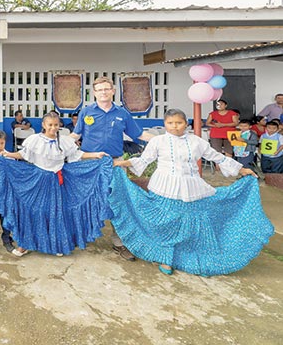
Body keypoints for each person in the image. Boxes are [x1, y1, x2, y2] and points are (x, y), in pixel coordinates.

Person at [111, 109, 272, 276]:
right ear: (165, 124)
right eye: (170, 123)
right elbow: (144, 160)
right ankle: (166, 258)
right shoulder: (158, 141)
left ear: (185, 124)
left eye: (178, 123)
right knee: (166, 223)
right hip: (164, 186)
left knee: (190, 222)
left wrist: (241, 169)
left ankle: (191, 256)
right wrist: (123, 163)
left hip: (192, 187)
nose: (174, 127)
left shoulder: (197, 141)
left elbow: (217, 157)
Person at [0, 112, 108, 257]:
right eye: (50, 124)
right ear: (43, 125)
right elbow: (24, 155)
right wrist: (9, 155)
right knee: (35, 211)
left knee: (57, 212)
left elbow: (77, 155)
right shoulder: (34, 140)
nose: (53, 127)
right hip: (38, 180)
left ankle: (57, 244)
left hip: (58, 181)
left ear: (59, 125)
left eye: (56, 124)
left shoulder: (64, 141)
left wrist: (95, 155)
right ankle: (25, 244)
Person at [70, 76, 153, 261]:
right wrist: (53, 143)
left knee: (118, 201)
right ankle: (81, 236)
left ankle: (119, 243)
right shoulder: (86, 112)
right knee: (85, 200)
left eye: (107, 89)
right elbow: (76, 135)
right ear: (94, 92)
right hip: (89, 165)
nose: (103, 92)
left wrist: (163, 139)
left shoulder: (122, 113)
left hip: (115, 164)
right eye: (99, 90)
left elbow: (139, 134)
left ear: (113, 91)